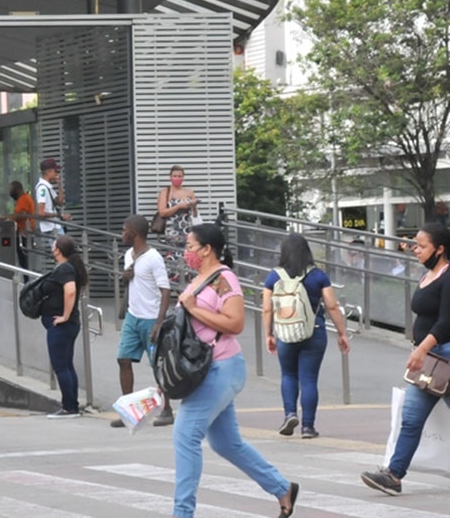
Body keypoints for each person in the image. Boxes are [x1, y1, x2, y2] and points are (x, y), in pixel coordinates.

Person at [172, 223, 298, 518]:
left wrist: (193, 308)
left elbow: (235, 323)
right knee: (226, 442)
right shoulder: (200, 278)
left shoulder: (224, 279)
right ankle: (282, 488)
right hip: (205, 370)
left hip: (221, 367)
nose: (186, 251)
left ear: (207, 249)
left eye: (190, 246)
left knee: (185, 434)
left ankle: (182, 513)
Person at [361, 222, 450, 496]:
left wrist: (421, 349)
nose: (416, 250)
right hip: (430, 361)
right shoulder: (429, 275)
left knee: (411, 417)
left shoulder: (448, 276)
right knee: (410, 419)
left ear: (440, 249)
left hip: (443, 357)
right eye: (415, 244)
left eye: (422, 246)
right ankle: (394, 475)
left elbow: (447, 322)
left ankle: (394, 473)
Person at [262, 233, 352, 439]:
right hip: (315, 331)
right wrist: (342, 333)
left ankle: (290, 414)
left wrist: (268, 334)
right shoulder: (318, 275)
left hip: (285, 332)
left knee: (288, 374)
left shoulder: (273, 277)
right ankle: (308, 427)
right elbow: (331, 305)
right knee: (309, 379)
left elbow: (266, 309)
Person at [109, 215, 174, 428]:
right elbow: (131, 281)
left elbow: (165, 291)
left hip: (150, 318)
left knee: (157, 364)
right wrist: (125, 277)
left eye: (123, 230)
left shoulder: (154, 257)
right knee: (123, 359)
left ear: (133, 233)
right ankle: (128, 411)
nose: (121, 234)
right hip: (132, 315)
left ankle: (166, 409)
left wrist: (158, 322)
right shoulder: (129, 254)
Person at [37, 235, 88, 418]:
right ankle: (71, 404)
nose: (51, 247)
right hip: (67, 325)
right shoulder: (69, 267)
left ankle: (69, 407)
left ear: (58, 249)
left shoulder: (65, 269)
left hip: (62, 325)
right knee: (66, 364)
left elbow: (70, 291)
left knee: (61, 365)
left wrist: (64, 316)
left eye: (54, 244)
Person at [158, 165, 199, 277]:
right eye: (175, 176)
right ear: (170, 177)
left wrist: (193, 205)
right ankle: (173, 281)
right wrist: (178, 206)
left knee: (189, 255)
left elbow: (195, 214)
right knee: (173, 257)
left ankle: (187, 281)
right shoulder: (165, 192)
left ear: (183, 177)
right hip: (172, 230)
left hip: (187, 229)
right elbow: (162, 212)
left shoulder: (189, 192)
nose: (177, 178)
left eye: (179, 176)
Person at [33, 159, 70, 270]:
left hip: (56, 226)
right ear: (48, 172)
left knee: (63, 254)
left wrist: (59, 185)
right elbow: (41, 212)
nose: (56, 174)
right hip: (52, 227)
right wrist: (58, 216)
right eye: (55, 171)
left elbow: (60, 202)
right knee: (62, 255)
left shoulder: (48, 187)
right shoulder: (42, 189)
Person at [6, 181, 36, 270]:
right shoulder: (22, 199)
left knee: (23, 258)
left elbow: (21, 214)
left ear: (17, 189)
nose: (10, 193)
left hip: (23, 231)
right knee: (22, 258)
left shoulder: (23, 199)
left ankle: (27, 279)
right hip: (22, 230)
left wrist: (7, 217)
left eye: (11, 190)